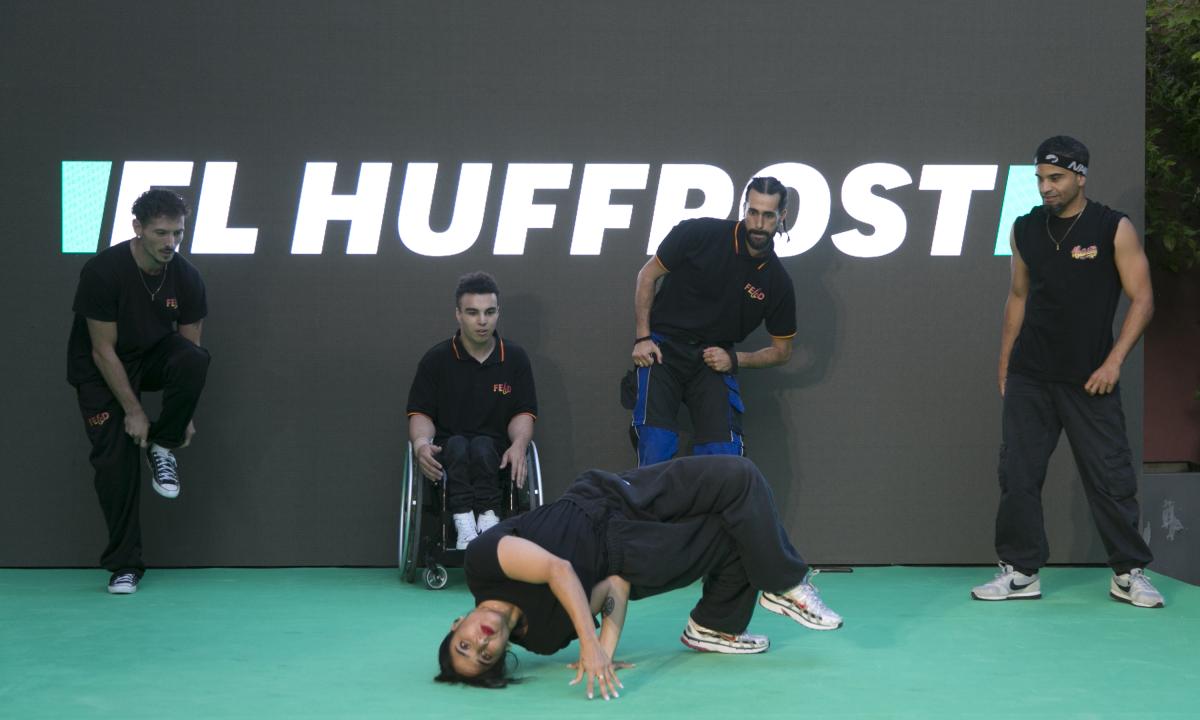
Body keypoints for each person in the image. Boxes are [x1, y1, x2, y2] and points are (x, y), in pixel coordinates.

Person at [435, 455, 843, 696]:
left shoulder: (482, 564)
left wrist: (592, 645)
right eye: (484, 657)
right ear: (502, 657)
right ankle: (716, 626)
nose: (480, 644)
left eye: (464, 645)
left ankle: (782, 583)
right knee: (734, 534)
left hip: (606, 499)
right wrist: (606, 658)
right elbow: (613, 587)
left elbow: (555, 569)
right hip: (626, 555)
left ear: (458, 625)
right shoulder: (541, 638)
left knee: (740, 475)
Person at [972, 136, 1164, 608]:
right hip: (1031, 375)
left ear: (1081, 176)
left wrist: (1114, 361)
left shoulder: (1111, 228)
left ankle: (1127, 573)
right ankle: (1020, 572)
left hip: (1090, 378)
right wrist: (1005, 363)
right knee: (1018, 474)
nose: (1046, 188)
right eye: (1040, 179)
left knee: (1109, 477)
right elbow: (1018, 297)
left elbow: (1143, 299)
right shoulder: (1024, 228)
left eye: (1055, 178)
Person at [67, 189, 211, 595]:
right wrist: (133, 410)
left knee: (195, 360)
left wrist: (182, 415)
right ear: (138, 229)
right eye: (160, 233)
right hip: (101, 369)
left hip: (149, 357)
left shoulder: (186, 277)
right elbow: (102, 350)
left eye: (177, 234)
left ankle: (162, 447)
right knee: (116, 466)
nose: (170, 243)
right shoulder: (103, 272)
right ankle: (124, 566)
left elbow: (190, 351)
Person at [629, 177, 796, 465]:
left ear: (782, 216)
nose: (758, 223)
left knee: (724, 460)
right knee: (654, 450)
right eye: (753, 212)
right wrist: (643, 337)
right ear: (744, 208)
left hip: (712, 359)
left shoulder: (777, 281)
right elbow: (647, 275)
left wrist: (735, 358)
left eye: (768, 215)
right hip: (663, 348)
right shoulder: (699, 233)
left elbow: (782, 351)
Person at [407, 272, 537, 549]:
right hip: (448, 456)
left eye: (489, 312)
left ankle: (488, 519)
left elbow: (522, 413)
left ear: (498, 313)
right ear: (458, 314)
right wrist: (420, 445)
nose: (481, 321)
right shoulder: (436, 360)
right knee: (457, 445)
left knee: (481, 446)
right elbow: (421, 414)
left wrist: (519, 444)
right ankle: (463, 519)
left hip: (495, 454)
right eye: (472, 312)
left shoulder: (515, 358)